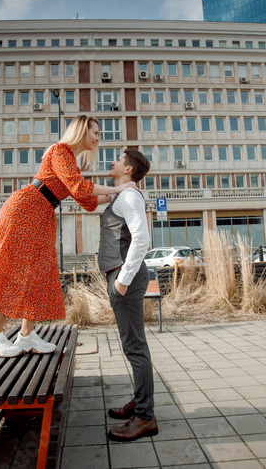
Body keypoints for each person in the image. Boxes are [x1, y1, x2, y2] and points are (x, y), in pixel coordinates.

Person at [0, 115, 135, 358]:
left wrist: (121, 194)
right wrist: (117, 188)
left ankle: (27, 335)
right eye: (95, 132)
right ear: (82, 131)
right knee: (17, 271)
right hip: (26, 209)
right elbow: (79, 187)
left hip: (41, 214)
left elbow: (87, 200)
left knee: (37, 273)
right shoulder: (61, 151)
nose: (98, 138)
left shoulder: (70, 160)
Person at [98, 148, 158, 442]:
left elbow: (142, 238)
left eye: (118, 160)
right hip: (122, 274)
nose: (112, 162)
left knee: (135, 347)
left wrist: (122, 280)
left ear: (129, 169)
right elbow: (86, 197)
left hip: (126, 277)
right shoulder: (122, 194)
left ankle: (146, 417)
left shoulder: (131, 197)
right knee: (132, 344)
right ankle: (139, 402)